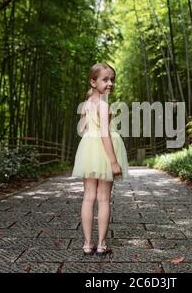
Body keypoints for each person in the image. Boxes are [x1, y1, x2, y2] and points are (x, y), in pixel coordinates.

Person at [71, 62, 129, 256]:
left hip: (88, 150)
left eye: (112, 79)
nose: (110, 83)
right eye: (105, 79)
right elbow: (105, 134)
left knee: (88, 198)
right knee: (103, 199)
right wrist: (113, 162)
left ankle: (87, 244)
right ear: (93, 82)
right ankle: (101, 244)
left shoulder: (87, 103)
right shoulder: (103, 105)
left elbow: (85, 129)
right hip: (104, 152)